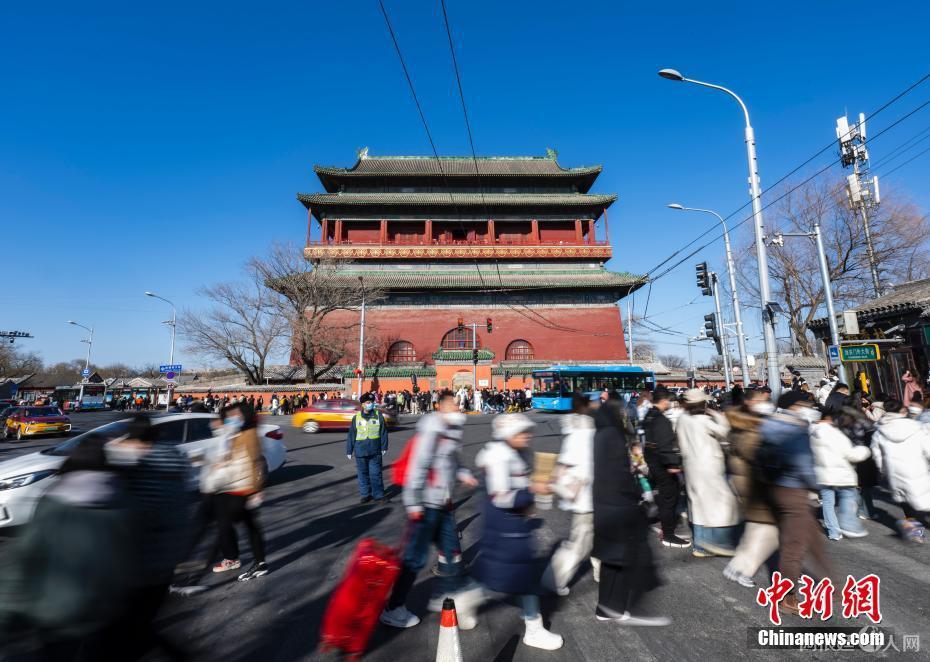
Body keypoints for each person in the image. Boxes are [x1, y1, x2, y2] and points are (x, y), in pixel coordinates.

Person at [0, 434, 133, 661]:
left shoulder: (54, 502)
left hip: (56, 611)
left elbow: (24, 557)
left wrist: (6, 611)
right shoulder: (123, 503)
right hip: (103, 611)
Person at [464, 414, 563, 651]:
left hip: (509, 527)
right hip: (505, 529)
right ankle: (534, 629)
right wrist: (532, 490)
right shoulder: (499, 456)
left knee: (494, 577)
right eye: (521, 432)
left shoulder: (514, 453)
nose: (527, 436)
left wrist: (533, 493)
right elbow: (500, 497)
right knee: (523, 579)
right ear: (508, 435)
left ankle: (463, 600)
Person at [381, 391, 477, 629]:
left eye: (457, 404)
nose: (457, 408)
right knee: (415, 559)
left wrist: (464, 474)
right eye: (453, 405)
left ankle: (449, 597)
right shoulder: (432, 432)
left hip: (442, 505)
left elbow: (453, 463)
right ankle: (393, 608)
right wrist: (414, 504)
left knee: (451, 552)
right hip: (425, 505)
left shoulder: (451, 432)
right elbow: (418, 467)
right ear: (441, 407)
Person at [109, 414, 192, 660]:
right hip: (169, 554)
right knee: (140, 623)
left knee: (131, 625)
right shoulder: (174, 458)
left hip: (141, 559)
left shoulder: (139, 469)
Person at [591, 393, 669, 626]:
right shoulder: (616, 436)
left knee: (611, 561)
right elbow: (624, 474)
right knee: (621, 559)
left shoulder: (600, 434)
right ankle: (612, 608)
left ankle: (606, 607)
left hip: (603, 504)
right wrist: (637, 494)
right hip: (619, 506)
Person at [757, 390, 831, 616]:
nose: (809, 409)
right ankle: (787, 598)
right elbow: (804, 464)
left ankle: (832, 584)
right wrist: (818, 485)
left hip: (774, 489)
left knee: (807, 538)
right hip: (794, 490)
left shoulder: (767, 425)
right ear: (795, 406)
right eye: (805, 405)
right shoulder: (795, 430)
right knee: (794, 547)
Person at [543, 393, 599, 595]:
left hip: (585, 494)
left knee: (598, 536)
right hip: (587, 495)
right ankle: (554, 579)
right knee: (580, 543)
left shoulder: (574, 429)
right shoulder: (588, 431)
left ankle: (602, 572)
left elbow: (564, 462)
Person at [724, 387, 778, 588]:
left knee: (756, 529)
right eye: (761, 400)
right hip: (756, 486)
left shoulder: (741, 425)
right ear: (750, 403)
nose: (766, 404)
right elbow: (764, 459)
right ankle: (743, 568)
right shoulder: (752, 430)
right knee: (771, 531)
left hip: (747, 485)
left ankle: (738, 566)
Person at [676, 389, 740, 557]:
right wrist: (717, 415)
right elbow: (724, 432)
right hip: (709, 466)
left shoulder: (682, 419)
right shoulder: (704, 421)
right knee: (721, 505)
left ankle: (700, 546)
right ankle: (720, 543)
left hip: (691, 466)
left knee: (697, 506)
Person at [210, 403, 269, 580]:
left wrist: (256, 490)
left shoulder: (250, 434)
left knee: (227, 523)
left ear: (244, 415)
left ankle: (234, 558)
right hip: (235, 487)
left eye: (235, 414)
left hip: (243, 489)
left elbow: (256, 462)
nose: (232, 418)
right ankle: (258, 562)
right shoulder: (240, 432)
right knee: (249, 525)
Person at [871, 398, 930, 543]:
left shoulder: (879, 431)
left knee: (906, 503)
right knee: (923, 500)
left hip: (895, 473)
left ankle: (916, 533)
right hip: (917, 470)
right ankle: (918, 526)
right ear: (902, 411)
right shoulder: (915, 427)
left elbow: (877, 455)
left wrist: (884, 470)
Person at [810, 401, 871, 540]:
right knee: (849, 495)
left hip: (821, 474)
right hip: (840, 474)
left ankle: (834, 532)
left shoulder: (811, 432)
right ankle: (848, 524)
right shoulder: (834, 433)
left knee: (828, 502)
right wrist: (865, 450)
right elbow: (851, 454)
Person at [641, 388, 689, 548]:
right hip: (662, 463)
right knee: (670, 496)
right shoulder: (661, 420)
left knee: (665, 494)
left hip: (653, 460)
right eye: (668, 400)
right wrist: (673, 464)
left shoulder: (649, 415)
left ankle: (664, 524)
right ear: (664, 401)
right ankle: (668, 534)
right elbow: (665, 445)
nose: (669, 403)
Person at [346, 393, 389, 505]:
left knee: (376, 474)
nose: (370, 404)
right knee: (363, 474)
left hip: (375, 450)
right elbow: (351, 434)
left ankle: (378, 495)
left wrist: (384, 446)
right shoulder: (356, 418)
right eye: (368, 402)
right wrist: (349, 450)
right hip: (360, 451)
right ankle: (365, 495)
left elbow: (383, 432)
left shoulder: (378, 416)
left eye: (372, 402)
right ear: (363, 404)